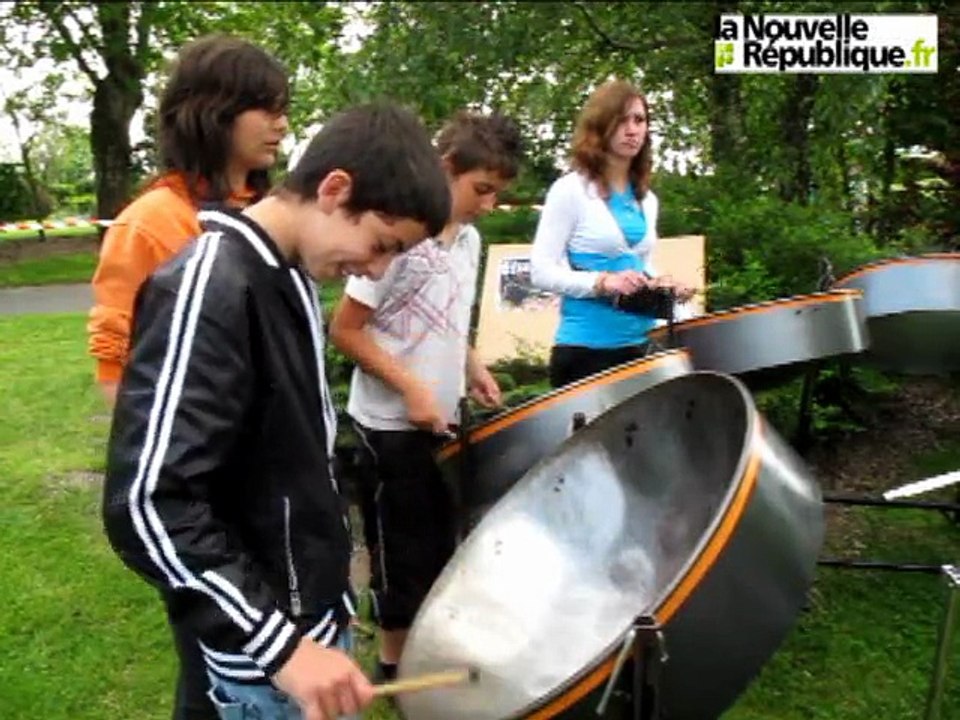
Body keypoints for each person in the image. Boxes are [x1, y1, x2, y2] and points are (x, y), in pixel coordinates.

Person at [101, 102, 451, 720]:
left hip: (306, 627)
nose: (374, 269)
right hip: (267, 655)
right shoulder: (210, 282)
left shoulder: (288, 276)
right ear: (334, 189)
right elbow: (149, 504)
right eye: (381, 245)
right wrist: (282, 647)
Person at [86, 35, 291, 720]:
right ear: (213, 111)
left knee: (262, 644)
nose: (282, 123)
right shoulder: (153, 223)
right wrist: (170, 484)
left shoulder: (268, 211)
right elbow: (117, 363)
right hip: (199, 491)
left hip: (271, 480)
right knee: (214, 654)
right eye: (265, 107)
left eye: (284, 107)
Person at [328, 111, 523, 681]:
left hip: (441, 420)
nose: (488, 204)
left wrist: (473, 367)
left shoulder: (469, 241)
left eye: (497, 194)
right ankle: (393, 668)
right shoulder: (398, 237)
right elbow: (345, 329)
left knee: (441, 541)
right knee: (399, 553)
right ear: (445, 170)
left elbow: (448, 323)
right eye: (480, 189)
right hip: (389, 426)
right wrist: (412, 387)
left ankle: (429, 649)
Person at [530, 79, 693, 388]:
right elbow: (540, 271)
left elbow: (639, 264)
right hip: (585, 353)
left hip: (642, 350)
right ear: (599, 126)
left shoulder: (647, 199)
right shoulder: (569, 190)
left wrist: (662, 283)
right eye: (622, 120)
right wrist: (602, 282)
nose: (632, 130)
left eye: (640, 120)